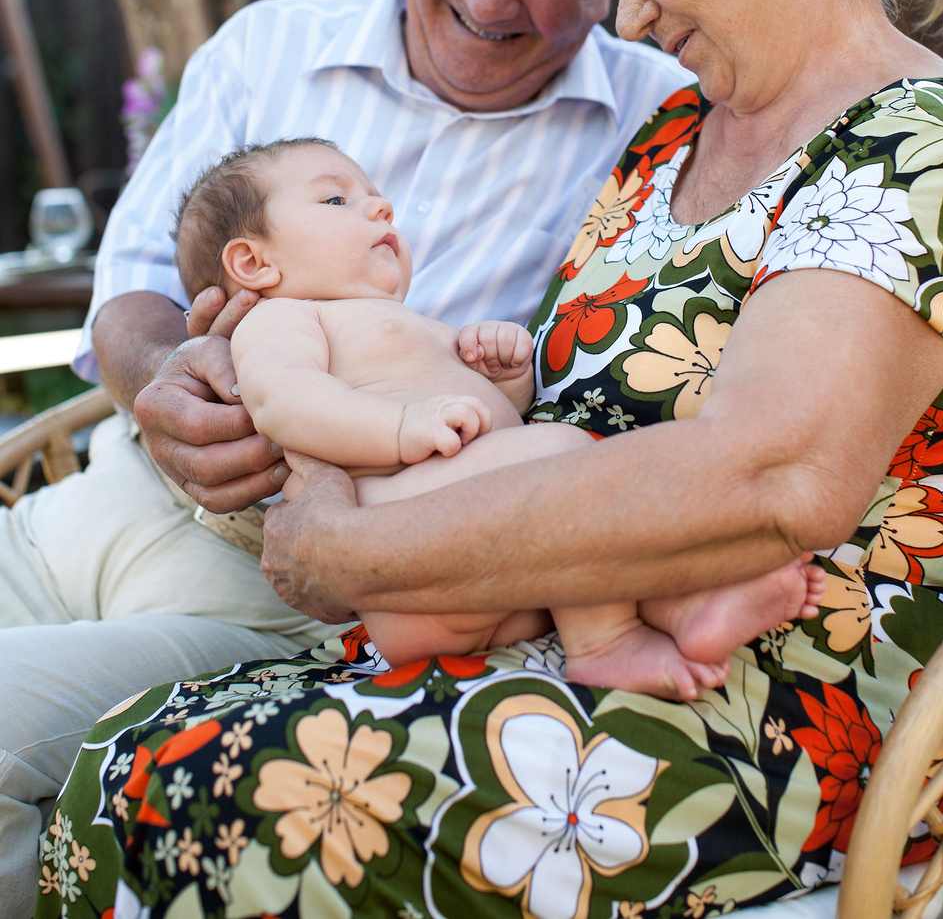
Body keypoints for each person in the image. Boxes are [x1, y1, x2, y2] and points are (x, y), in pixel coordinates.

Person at [38, 0, 943, 919]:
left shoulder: (913, 140)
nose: (631, 9)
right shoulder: (671, 141)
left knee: (210, 796)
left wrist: (356, 552)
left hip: (767, 687)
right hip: (558, 620)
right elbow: (549, 406)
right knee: (135, 752)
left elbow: (774, 476)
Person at [0, 0, 690, 918]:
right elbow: (126, 296)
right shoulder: (271, 47)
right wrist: (170, 381)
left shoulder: (654, 123)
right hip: (102, 495)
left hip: (284, 577)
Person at [175, 137, 825, 692]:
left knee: (576, 505)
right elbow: (284, 403)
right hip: (406, 550)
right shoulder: (280, 320)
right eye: (337, 199)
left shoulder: (405, 320)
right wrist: (401, 429)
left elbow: (489, 423)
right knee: (563, 458)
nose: (380, 205)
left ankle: (687, 605)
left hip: (503, 565)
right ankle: (605, 645)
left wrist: (504, 377)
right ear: (253, 262)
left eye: (374, 194)